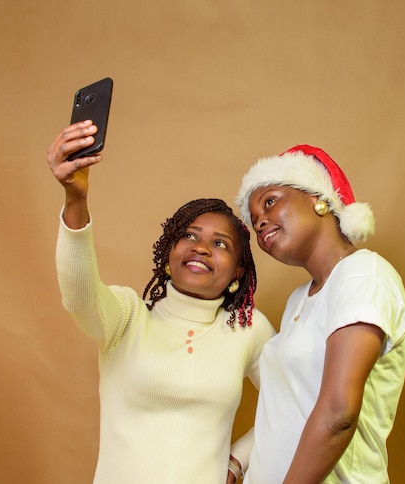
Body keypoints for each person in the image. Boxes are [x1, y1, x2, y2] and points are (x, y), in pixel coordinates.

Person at [46, 120, 275, 484]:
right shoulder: (127, 317)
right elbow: (79, 294)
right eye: (189, 235)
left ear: (237, 273)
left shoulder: (249, 330)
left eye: (220, 244)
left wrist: (239, 461)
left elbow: (291, 403)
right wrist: (76, 199)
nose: (201, 247)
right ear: (169, 253)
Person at [234, 145, 405, 483]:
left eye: (270, 201)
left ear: (321, 199)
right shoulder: (299, 300)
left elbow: (337, 414)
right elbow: (288, 408)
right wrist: (239, 462)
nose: (260, 222)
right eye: (254, 220)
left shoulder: (362, 273)